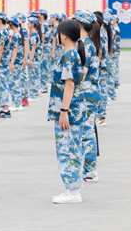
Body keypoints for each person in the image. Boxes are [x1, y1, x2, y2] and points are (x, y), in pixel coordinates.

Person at [48, 19, 87, 204]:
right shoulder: (71, 55)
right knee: (72, 148)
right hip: (73, 111)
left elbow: (69, 85)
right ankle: (73, 190)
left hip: (69, 112)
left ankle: (72, 192)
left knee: (68, 150)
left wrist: (63, 111)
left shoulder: (69, 56)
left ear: (63, 35)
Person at [72, 9, 101, 183]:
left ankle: (90, 171)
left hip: (87, 94)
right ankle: (88, 169)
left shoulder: (85, 45)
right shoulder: (86, 43)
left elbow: (82, 71)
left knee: (87, 133)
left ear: (80, 24)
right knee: (86, 132)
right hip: (87, 93)